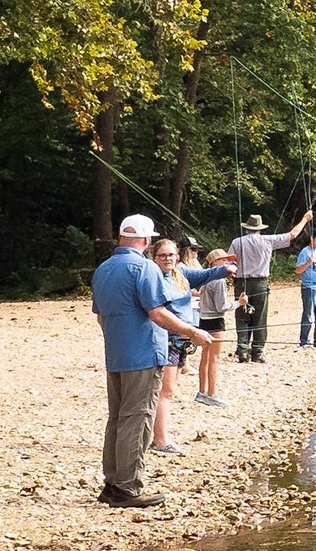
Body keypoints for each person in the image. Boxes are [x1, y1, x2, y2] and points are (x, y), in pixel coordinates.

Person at [92, 214, 215, 508]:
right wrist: (192, 331)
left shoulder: (103, 269)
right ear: (146, 241)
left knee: (117, 418)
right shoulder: (144, 267)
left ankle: (112, 483)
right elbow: (157, 313)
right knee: (138, 419)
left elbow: (100, 316)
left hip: (116, 354)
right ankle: (128, 488)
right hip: (144, 355)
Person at [150, 238, 235, 455]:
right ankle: (160, 441)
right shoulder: (153, 276)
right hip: (167, 339)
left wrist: (226, 269)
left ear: (177, 256)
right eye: (162, 255)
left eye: (171, 255)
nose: (167, 259)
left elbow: (206, 275)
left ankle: (159, 436)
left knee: (170, 390)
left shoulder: (181, 273)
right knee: (165, 392)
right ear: (154, 257)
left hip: (182, 340)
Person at [228, 210, 313, 363]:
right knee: (260, 318)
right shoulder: (268, 240)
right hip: (261, 283)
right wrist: (305, 219)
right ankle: (257, 352)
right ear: (260, 228)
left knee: (242, 317)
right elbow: (292, 234)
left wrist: (233, 276)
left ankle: (242, 351)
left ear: (246, 228)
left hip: (242, 283)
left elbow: (230, 263)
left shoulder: (237, 242)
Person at [196, 249, 243, 407]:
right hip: (216, 322)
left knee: (205, 357)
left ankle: (201, 392)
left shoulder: (204, 278)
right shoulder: (219, 281)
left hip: (203, 320)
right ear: (214, 263)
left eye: (227, 260)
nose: (227, 263)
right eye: (223, 260)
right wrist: (239, 303)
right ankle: (212, 394)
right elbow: (221, 306)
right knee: (214, 359)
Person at [177, 236, 203, 376]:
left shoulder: (194, 265)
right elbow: (184, 288)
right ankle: (184, 364)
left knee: (189, 336)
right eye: (193, 250)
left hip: (195, 305)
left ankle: (185, 363)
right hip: (187, 305)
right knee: (185, 336)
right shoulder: (181, 267)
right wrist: (202, 294)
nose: (196, 253)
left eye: (197, 250)